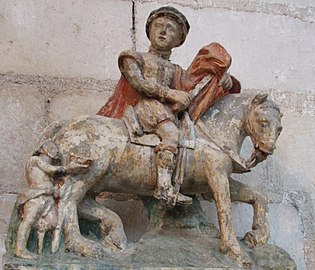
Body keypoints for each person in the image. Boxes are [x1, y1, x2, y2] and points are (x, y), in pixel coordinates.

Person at [97, 6, 241, 206]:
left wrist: (224, 81)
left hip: (170, 113)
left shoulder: (176, 71)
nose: (163, 31)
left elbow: (195, 86)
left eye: (170, 28)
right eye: (158, 26)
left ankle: (184, 180)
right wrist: (170, 93)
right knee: (171, 135)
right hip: (148, 109)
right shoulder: (133, 57)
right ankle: (164, 187)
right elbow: (138, 83)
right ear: (149, 30)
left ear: (178, 40)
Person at [15, 140, 92, 259]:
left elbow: (55, 179)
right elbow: (52, 170)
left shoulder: (50, 174)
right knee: (28, 221)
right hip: (36, 196)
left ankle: (47, 251)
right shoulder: (35, 160)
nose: (55, 150)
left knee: (52, 224)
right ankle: (20, 250)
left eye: (56, 149)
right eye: (51, 147)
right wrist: (70, 167)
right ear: (42, 149)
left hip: (47, 199)